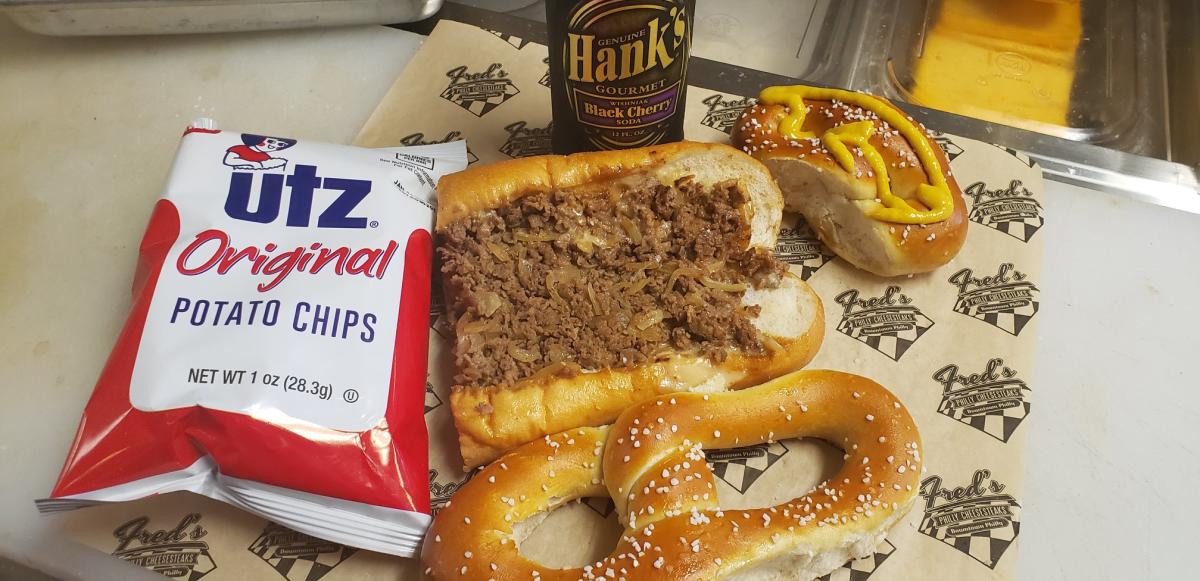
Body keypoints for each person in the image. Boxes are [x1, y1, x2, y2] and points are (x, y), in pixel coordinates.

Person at [223, 134, 296, 170]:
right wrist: (253, 164)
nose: (274, 145)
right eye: (271, 141)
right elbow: (229, 160)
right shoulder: (239, 148)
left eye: (280, 144)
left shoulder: (266, 157)